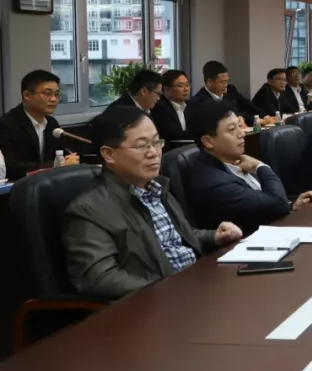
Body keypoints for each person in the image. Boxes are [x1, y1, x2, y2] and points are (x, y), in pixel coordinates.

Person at [62, 106, 242, 300]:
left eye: (156, 142)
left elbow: (172, 240)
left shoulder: (156, 188)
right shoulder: (88, 210)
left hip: (197, 287)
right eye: (141, 146)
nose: (154, 153)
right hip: (158, 304)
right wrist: (169, 289)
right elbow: (99, 279)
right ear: (109, 154)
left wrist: (214, 236)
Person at [186, 101, 312, 235]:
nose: (242, 134)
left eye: (240, 126)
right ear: (208, 141)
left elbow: (264, 206)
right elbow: (277, 205)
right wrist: (260, 166)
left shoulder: (234, 163)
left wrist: (291, 207)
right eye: (232, 129)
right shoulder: (214, 182)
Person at [0, 70, 67, 179]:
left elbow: (61, 152)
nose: (54, 99)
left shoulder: (52, 123)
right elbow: (12, 166)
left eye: (56, 94)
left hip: (48, 182)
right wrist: (56, 165)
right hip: (19, 185)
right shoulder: (7, 124)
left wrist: (70, 159)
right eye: (47, 94)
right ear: (27, 95)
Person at [188, 61, 267, 126]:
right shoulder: (199, 100)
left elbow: (247, 105)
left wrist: (266, 117)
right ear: (209, 82)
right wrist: (239, 118)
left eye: (226, 81)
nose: (225, 85)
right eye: (221, 82)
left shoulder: (230, 89)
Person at [151, 69, 192, 142]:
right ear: (167, 89)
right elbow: (173, 134)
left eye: (187, 85)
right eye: (181, 86)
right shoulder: (159, 107)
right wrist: (199, 133)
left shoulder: (190, 105)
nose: (186, 89)